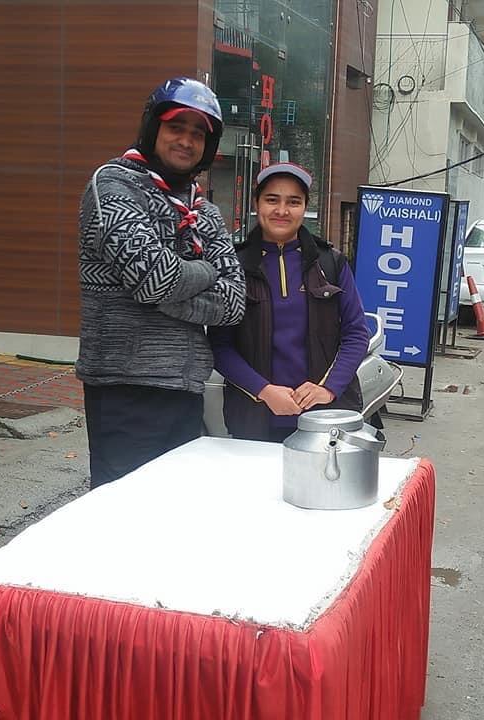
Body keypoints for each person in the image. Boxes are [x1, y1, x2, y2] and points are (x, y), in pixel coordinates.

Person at [76, 77, 246, 489]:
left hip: (186, 389)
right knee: (123, 511)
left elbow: (235, 302)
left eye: (198, 134)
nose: (186, 141)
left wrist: (164, 287)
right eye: (176, 127)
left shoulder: (203, 210)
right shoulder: (113, 185)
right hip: (124, 386)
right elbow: (155, 281)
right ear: (153, 127)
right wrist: (206, 270)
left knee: (173, 509)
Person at [208, 162, 368, 442]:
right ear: (256, 203)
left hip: (324, 419)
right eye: (272, 200)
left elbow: (356, 333)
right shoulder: (233, 265)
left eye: (293, 202)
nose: (282, 211)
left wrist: (327, 388)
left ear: (305, 207)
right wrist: (264, 391)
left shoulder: (330, 263)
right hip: (254, 418)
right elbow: (220, 346)